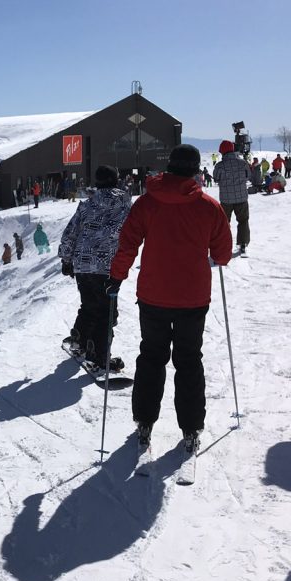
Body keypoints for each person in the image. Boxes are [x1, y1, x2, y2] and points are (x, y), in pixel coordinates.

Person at [109, 144, 233, 456]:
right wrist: (212, 256)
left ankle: (144, 421)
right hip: (193, 297)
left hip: (153, 295)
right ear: (195, 170)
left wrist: (116, 277)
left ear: (170, 167)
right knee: (189, 360)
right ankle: (191, 427)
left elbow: (127, 243)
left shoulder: (147, 203)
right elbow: (223, 253)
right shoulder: (209, 206)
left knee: (152, 356)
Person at [58, 165, 131, 367]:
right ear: (116, 180)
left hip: (82, 263)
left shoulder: (87, 204)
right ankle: (98, 356)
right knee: (106, 312)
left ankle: (79, 340)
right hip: (106, 266)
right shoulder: (124, 202)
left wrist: (66, 259)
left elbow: (71, 232)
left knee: (89, 304)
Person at [212, 139, 251, 253]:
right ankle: (242, 243)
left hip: (226, 199)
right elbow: (248, 176)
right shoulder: (243, 163)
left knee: (224, 223)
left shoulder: (220, 166)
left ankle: (223, 246)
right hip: (242, 198)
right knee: (243, 221)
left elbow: (216, 178)